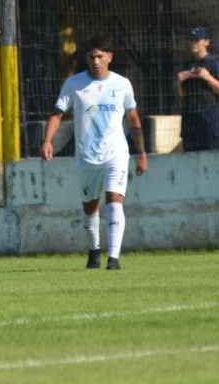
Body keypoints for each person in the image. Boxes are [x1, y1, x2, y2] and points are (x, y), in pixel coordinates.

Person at [40, 36, 148, 271]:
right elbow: (57, 114)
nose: (96, 61)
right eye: (92, 57)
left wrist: (141, 152)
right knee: (90, 207)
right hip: (87, 156)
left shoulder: (122, 84)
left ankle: (114, 258)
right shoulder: (74, 84)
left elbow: (133, 119)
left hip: (116, 153)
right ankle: (94, 250)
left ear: (110, 57)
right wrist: (48, 141)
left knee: (114, 201)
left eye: (100, 56)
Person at [176, 26, 219, 152]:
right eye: (191, 40)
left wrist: (208, 78)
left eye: (197, 40)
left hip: (209, 126)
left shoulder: (215, 65)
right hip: (190, 127)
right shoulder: (187, 66)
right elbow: (182, 96)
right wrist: (179, 83)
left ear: (206, 42)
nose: (193, 43)